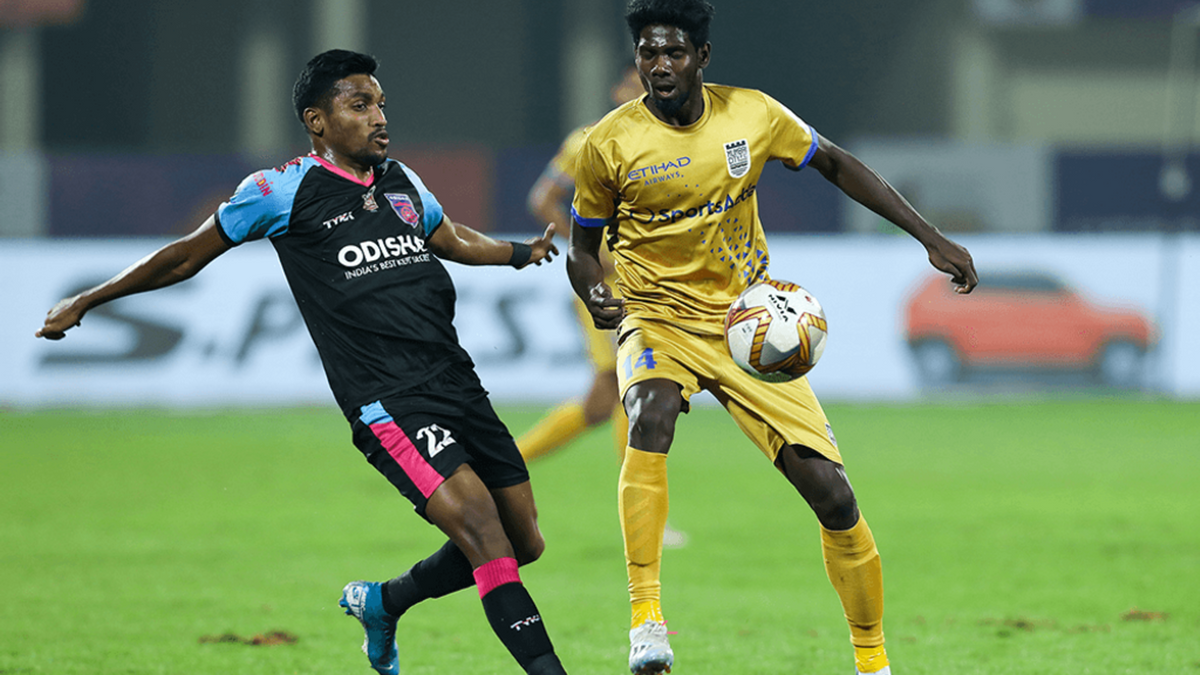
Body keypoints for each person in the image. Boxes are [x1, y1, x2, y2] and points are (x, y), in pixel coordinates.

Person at [36, 50, 572, 675]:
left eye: (380, 104)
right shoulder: (278, 191)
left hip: (458, 382)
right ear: (317, 121)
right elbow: (185, 255)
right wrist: (89, 299)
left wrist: (517, 252)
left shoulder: (401, 180)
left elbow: (450, 238)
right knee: (484, 535)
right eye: (360, 105)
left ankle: (383, 602)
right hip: (388, 400)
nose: (379, 117)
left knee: (524, 540)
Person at [566, 2, 980, 675]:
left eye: (673, 53)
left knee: (834, 496)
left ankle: (873, 661)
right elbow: (582, 251)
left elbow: (835, 164)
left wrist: (929, 237)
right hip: (657, 316)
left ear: (702, 57)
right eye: (647, 53)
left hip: (747, 325)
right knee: (649, 413)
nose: (659, 66)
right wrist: (593, 292)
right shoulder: (608, 143)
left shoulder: (753, 115)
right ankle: (646, 621)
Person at [519, 66, 688, 547]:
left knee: (599, 404)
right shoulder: (587, 141)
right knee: (633, 384)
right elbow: (543, 199)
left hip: (649, 284)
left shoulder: (672, 144)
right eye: (636, 83)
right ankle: (646, 518)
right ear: (618, 90)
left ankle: (498, 467)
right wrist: (588, 250)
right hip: (606, 285)